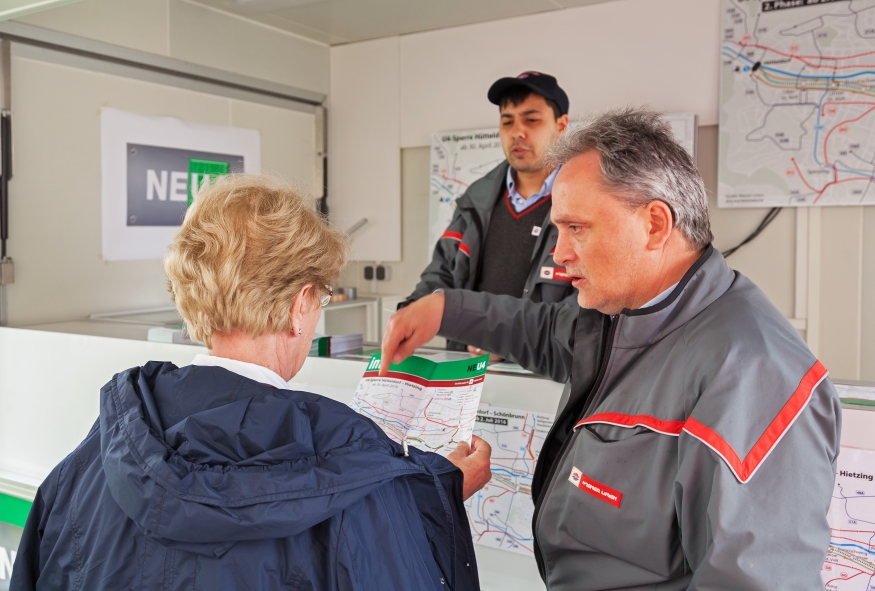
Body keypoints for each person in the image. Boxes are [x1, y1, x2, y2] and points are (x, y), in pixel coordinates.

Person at [381, 108, 841, 590]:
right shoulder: (619, 314)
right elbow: (537, 329)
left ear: (655, 225)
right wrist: (444, 308)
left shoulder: (754, 376)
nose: (558, 255)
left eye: (576, 228)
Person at [11, 175, 492, 591]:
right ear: (299, 305)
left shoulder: (87, 461)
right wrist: (438, 495)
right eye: (320, 296)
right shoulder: (350, 461)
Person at [403, 71, 574, 357]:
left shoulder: (583, 207)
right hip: (466, 368)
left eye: (532, 120)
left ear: (561, 125)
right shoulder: (476, 199)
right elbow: (442, 271)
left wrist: (505, 339)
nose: (517, 131)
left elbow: (583, 312)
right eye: (507, 121)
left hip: (544, 378)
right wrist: (411, 311)